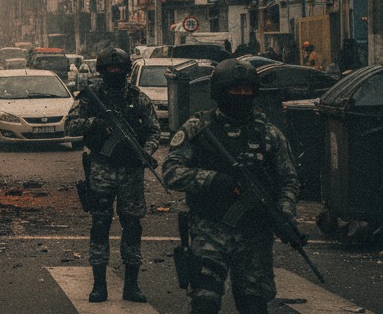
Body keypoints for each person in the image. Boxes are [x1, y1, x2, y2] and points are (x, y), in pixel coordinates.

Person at [162, 59, 300, 314]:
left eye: (247, 91)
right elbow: (171, 173)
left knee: (254, 304)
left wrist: (284, 212)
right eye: (235, 90)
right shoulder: (198, 129)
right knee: (204, 302)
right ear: (219, 92)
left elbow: (288, 180)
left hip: (254, 233)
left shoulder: (269, 135)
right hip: (209, 229)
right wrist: (214, 180)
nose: (242, 96)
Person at [65, 47, 160, 303]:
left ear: (126, 70)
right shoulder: (91, 97)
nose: (115, 73)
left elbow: (153, 130)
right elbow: (70, 124)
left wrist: (146, 151)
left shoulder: (138, 98)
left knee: (132, 226)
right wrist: (96, 123)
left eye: (119, 69)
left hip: (131, 172)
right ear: (102, 71)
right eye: (110, 69)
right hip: (101, 169)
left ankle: (131, 285)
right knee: (100, 225)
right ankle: (99, 285)